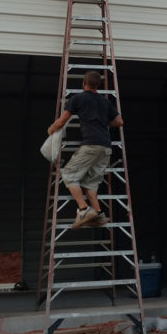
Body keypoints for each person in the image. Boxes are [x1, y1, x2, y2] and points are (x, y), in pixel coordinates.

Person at [47, 71, 123, 229]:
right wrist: (101, 122)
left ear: (83, 83)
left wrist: (51, 129)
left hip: (91, 145)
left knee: (68, 174)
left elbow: (61, 122)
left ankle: (83, 210)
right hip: (105, 147)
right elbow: (119, 121)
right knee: (90, 184)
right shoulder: (105, 102)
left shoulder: (78, 99)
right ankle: (99, 215)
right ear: (98, 85)